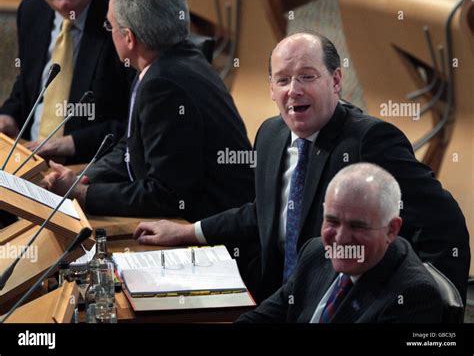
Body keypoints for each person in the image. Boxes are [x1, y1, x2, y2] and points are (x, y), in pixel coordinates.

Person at [133, 32, 470, 303]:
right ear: (271, 88)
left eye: (307, 77)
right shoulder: (270, 134)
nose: (294, 90)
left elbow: (443, 224)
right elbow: (264, 212)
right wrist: (189, 231)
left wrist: (430, 306)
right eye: (282, 80)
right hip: (275, 298)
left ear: (336, 80)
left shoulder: (371, 142)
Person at [43, 0, 255, 222]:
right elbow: (130, 146)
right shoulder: (169, 62)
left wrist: (84, 194)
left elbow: (167, 195)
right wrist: (83, 179)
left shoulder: (164, 85)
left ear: (129, 38)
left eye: (110, 25)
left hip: (217, 239)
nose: (108, 31)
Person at [236, 163, 444, 323]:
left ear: (391, 229)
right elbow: (261, 318)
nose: (341, 238)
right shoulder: (316, 252)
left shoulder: (413, 295)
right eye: (332, 221)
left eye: (357, 226)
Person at [0, 0, 132, 164]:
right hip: (27, 157)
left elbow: (138, 122)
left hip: (89, 168)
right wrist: (9, 115)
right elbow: (28, 83)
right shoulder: (32, 9)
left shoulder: (121, 17)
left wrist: (73, 144)